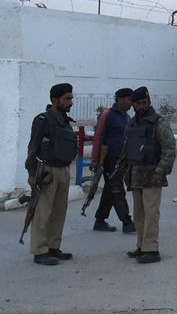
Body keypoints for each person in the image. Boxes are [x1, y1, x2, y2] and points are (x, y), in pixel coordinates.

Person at [24, 83, 78, 266]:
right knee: (43, 212)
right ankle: (40, 251)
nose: (70, 102)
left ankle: (53, 246)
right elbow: (33, 147)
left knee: (59, 211)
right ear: (55, 100)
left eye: (71, 98)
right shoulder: (43, 120)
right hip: (46, 171)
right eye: (66, 98)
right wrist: (31, 173)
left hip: (63, 170)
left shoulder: (65, 120)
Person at [124, 87, 175, 264]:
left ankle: (151, 249)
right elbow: (127, 148)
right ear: (133, 105)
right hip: (136, 174)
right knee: (138, 214)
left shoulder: (159, 123)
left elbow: (169, 149)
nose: (142, 106)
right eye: (138, 104)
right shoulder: (132, 123)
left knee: (151, 214)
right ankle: (141, 245)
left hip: (152, 175)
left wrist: (160, 171)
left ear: (149, 102)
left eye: (144, 103)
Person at [90, 88, 136, 233]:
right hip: (109, 160)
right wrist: (95, 160)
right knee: (117, 189)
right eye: (129, 99)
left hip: (121, 160)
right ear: (120, 99)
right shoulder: (107, 115)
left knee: (110, 189)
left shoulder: (126, 117)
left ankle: (100, 220)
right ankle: (127, 221)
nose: (131, 103)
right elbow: (98, 138)